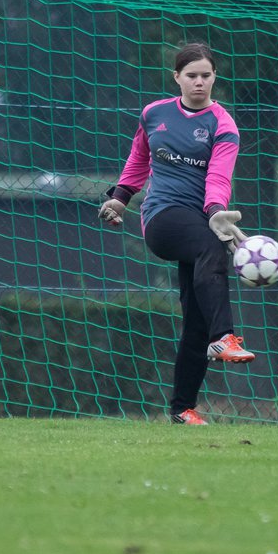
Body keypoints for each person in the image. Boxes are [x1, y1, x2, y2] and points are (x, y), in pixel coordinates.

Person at [98, 42, 254, 426]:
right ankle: (226, 337)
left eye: (206, 75)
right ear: (177, 78)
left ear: (215, 77)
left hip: (201, 218)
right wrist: (120, 198)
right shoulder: (155, 114)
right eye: (192, 75)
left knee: (196, 321)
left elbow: (218, 177)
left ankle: (181, 409)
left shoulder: (224, 125)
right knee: (211, 248)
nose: (200, 82)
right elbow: (139, 158)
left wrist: (216, 212)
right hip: (163, 218)